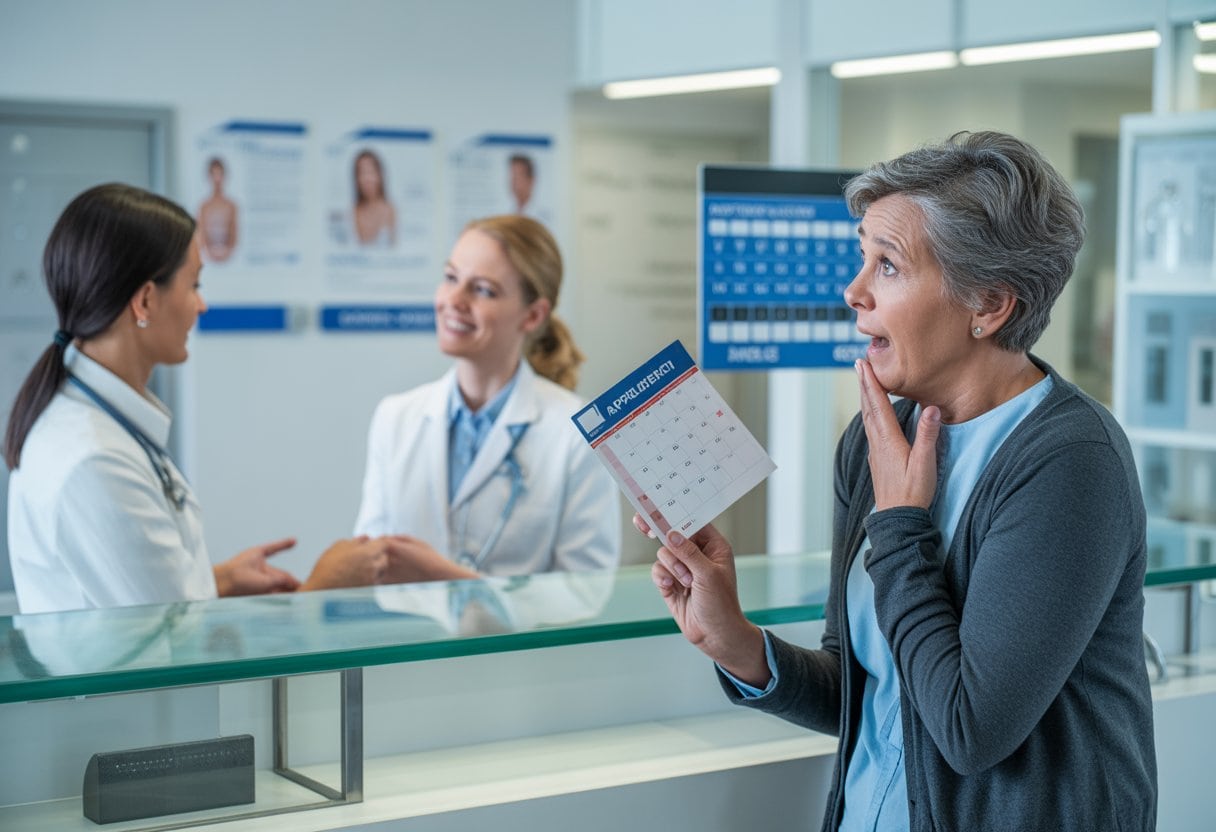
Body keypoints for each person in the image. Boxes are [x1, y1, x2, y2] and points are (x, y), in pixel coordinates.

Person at [641, 132, 1157, 830]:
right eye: (863, 257)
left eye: (887, 265)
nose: (853, 292)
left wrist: (901, 526)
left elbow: (968, 730)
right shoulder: (875, 439)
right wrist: (735, 642)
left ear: (989, 305)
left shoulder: (1071, 462)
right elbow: (874, 694)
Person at [4, 183, 402, 614]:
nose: (202, 305)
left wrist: (220, 581)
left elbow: (138, 601)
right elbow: (174, 648)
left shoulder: (97, 425)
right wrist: (324, 590)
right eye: (194, 285)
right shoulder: (94, 459)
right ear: (145, 300)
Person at [354, 215, 620, 581]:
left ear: (533, 315)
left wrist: (459, 584)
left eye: (482, 290)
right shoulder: (395, 417)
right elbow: (369, 566)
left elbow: (586, 595)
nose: (454, 300)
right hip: (408, 637)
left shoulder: (579, 432)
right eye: (450, 278)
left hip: (524, 642)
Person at [352, 149, 397, 247]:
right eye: (362, 173)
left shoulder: (391, 211)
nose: (367, 178)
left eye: (371, 172)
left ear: (379, 175)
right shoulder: (350, 213)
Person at [197, 157, 238, 263]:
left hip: (229, 262)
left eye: (220, 174)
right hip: (208, 262)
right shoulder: (204, 206)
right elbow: (201, 237)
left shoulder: (231, 206)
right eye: (214, 174)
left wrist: (226, 253)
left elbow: (234, 237)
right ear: (209, 177)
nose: (217, 179)